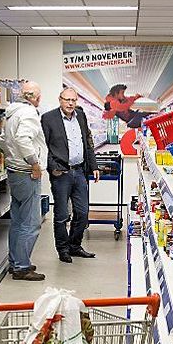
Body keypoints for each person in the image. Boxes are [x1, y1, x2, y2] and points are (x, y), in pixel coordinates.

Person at [41, 87, 99, 264]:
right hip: (61, 173)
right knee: (61, 215)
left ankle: (75, 246)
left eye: (73, 100)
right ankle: (63, 249)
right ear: (60, 100)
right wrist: (53, 168)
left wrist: (94, 165)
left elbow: (87, 142)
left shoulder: (80, 116)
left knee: (82, 212)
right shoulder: (48, 118)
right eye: (67, 100)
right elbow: (44, 146)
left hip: (80, 170)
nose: (70, 103)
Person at [1, 81, 47, 281]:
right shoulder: (28, 113)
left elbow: (3, 139)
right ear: (36, 97)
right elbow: (23, 139)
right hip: (26, 172)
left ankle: (15, 261)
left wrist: (11, 157)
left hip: (14, 170)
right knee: (31, 222)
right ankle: (22, 266)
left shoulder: (11, 113)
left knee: (18, 220)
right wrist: (34, 163)